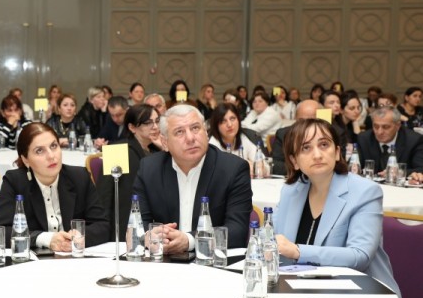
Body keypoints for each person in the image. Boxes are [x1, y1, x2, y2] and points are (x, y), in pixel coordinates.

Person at [273, 118, 406, 298]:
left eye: (324, 145)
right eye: (306, 148)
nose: (317, 154)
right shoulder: (291, 191)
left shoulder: (365, 192)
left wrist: (297, 251)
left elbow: (360, 256)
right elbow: (273, 243)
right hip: (303, 294)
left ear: (337, 152)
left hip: (359, 297)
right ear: (294, 161)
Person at [133, 104, 252, 253]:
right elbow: (138, 224)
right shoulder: (149, 169)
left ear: (206, 133)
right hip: (163, 259)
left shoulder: (233, 169)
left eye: (195, 128)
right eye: (179, 132)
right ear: (165, 143)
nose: (190, 138)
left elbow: (237, 231)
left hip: (212, 262)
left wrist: (189, 240)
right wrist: (149, 236)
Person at [0, 123, 109, 251]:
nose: (51, 156)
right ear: (26, 160)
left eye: (53, 146)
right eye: (39, 151)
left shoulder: (79, 177)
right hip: (35, 259)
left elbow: (102, 225)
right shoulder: (16, 181)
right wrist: (46, 239)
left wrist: (80, 236)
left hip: (74, 256)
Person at [97, 104, 162, 238]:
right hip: (126, 224)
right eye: (148, 123)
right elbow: (103, 195)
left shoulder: (158, 151)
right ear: (132, 127)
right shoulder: (117, 150)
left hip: (156, 222)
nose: (155, 127)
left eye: (157, 121)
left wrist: (165, 150)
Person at [357, 107, 423, 174]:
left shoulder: (414, 140)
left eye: (385, 127)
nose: (379, 132)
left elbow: (421, 169)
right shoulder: (364, 139)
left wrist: (398, 172)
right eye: (376, 126)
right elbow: (355, 167)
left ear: (398, 126)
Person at [271, 99, 323, 175]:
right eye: (302, 121)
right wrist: (304, 170)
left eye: (312, 121)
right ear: (295, 119)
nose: (306, 125)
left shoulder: (328, 135)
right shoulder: (284, 134)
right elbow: (276, 165)